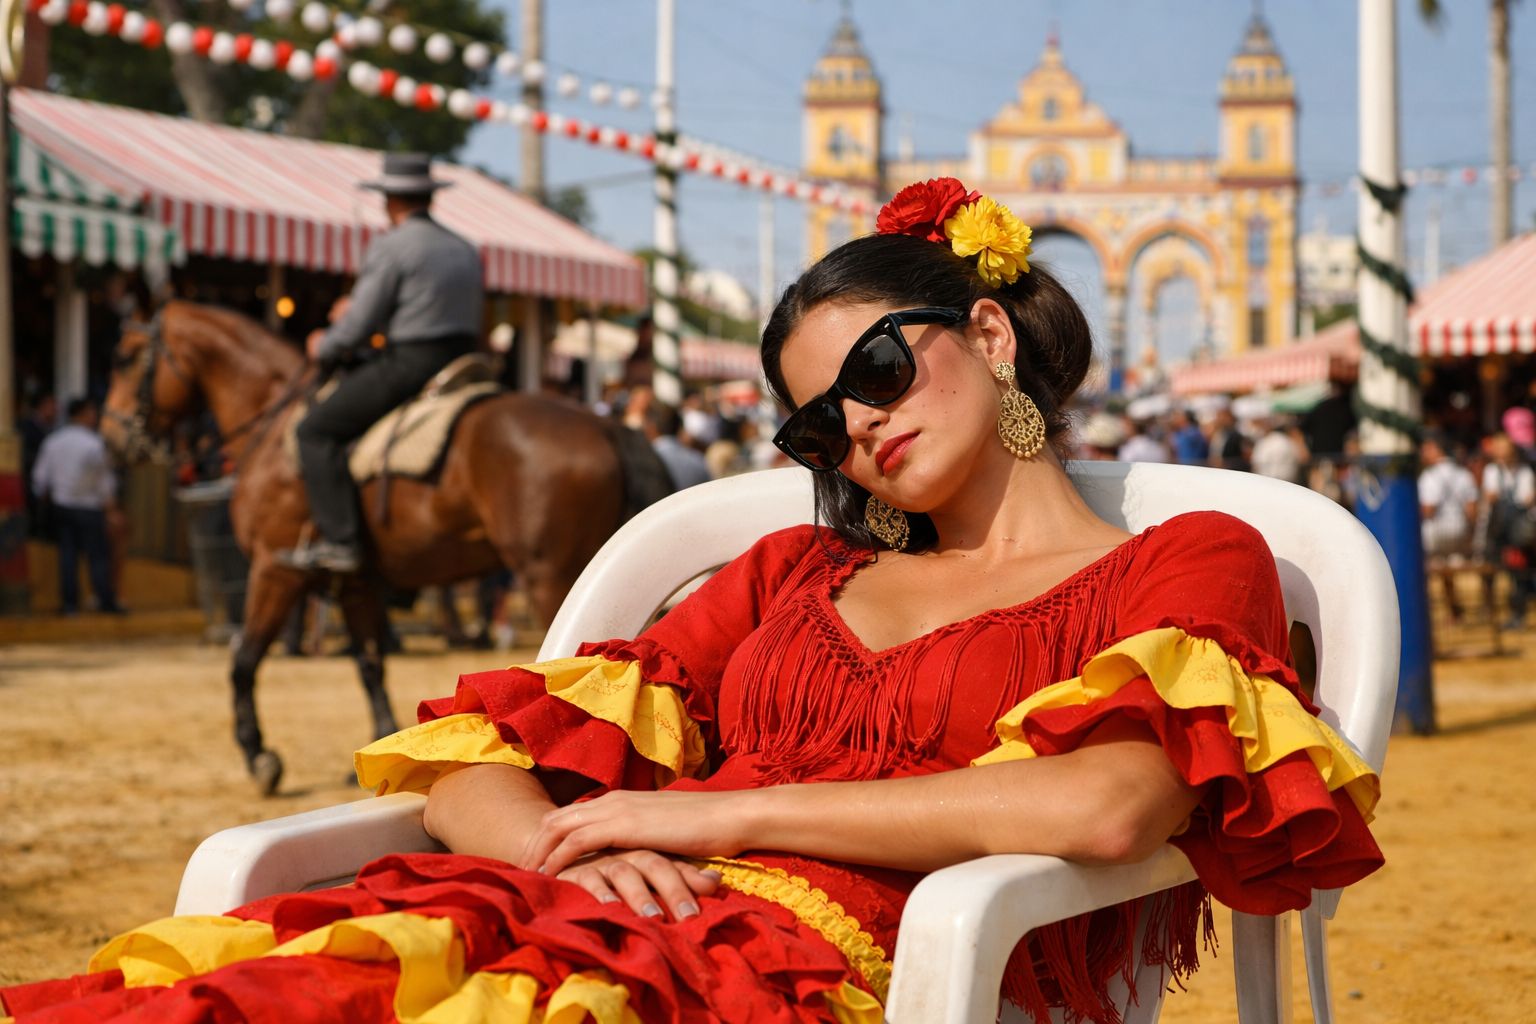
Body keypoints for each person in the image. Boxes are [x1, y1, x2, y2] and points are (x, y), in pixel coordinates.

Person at [1, 179, 1382, 1024]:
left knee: (328, 429)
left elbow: (1109, 804)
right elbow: (474, 761)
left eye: (878, 372)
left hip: (824, 971)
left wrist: (713, 814)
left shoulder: (1188, 557)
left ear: (988, 332)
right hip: (585, 918)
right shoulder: (796, 572)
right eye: (817, 425)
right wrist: (563, 852)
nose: (857, 429)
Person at [279, 152, 485, 574]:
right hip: (465, 360)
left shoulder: (393, 246)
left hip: (412, 362)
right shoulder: (465, 247)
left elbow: (359, 325)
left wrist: (325, 344)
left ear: (390, 201)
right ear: (429, 197)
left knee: (314, 431)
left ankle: (342, 542)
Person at [30, 397, 124, 615]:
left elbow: (40, 479)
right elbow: (104, 481)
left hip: (62, 506)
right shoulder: (94, 444)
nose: (95, 417)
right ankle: (104, 600)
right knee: (97, 556)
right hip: (89, 507)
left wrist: (45, 503)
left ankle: (70, 604)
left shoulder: (53, 441)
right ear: (83, 415)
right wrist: (111, 509)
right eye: (92, 413)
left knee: (67, 555)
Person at [1418, 433, 1480, 621]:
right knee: (1450, 568)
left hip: (1435, 532)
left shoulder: (1429, 476)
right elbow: (1472, 510)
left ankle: (1441, 611)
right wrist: (1472, 535)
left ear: (1436, 449)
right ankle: (1456, 608)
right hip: (1460, 530)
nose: (1423, 453)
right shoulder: (1463, 474)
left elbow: (1428, 509)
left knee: (1434, 568)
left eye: (1427, 449)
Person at [1481, 432, 1536, 629]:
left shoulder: (1524, 472)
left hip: (1517, 534)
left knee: (1518, 574)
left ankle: (1517, 613)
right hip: (1496, 532)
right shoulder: (1492, 471)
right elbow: (1490, 496)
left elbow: (1528, 499)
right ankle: (1490, 612)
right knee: (1489, 571)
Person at [1249, 416, 1307, 483]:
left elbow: (1256, 464)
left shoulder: (1266, 442)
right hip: (1286, 481)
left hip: (1271, 481)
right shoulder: (1286, 441)